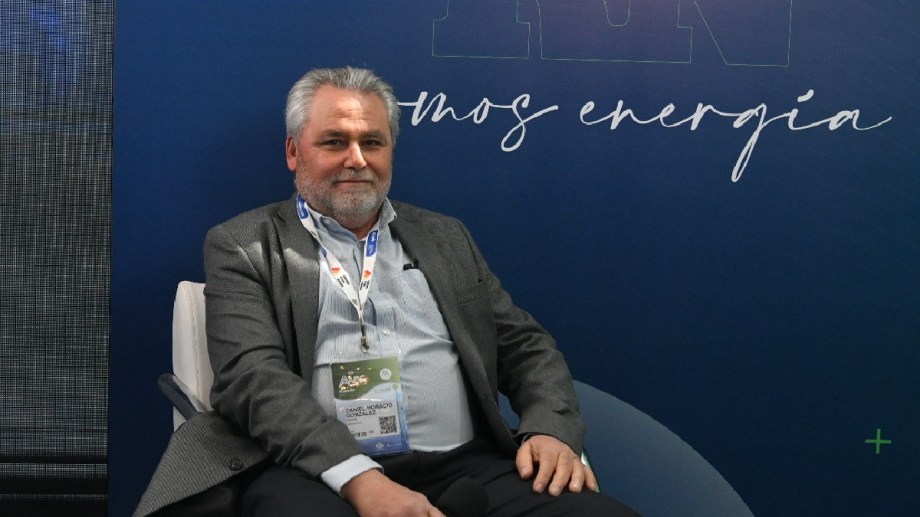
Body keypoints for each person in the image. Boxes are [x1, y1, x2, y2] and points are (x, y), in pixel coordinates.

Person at [135, 67, 639, 517]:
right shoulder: (244, 244)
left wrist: (549, 427)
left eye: (372, 142)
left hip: (464, 466)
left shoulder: (446, 237)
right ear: (294, 152)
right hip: (313, 472)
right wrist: (359, 479)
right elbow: (252, 379)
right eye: (334, 141)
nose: (356, 159)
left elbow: (525, 346)